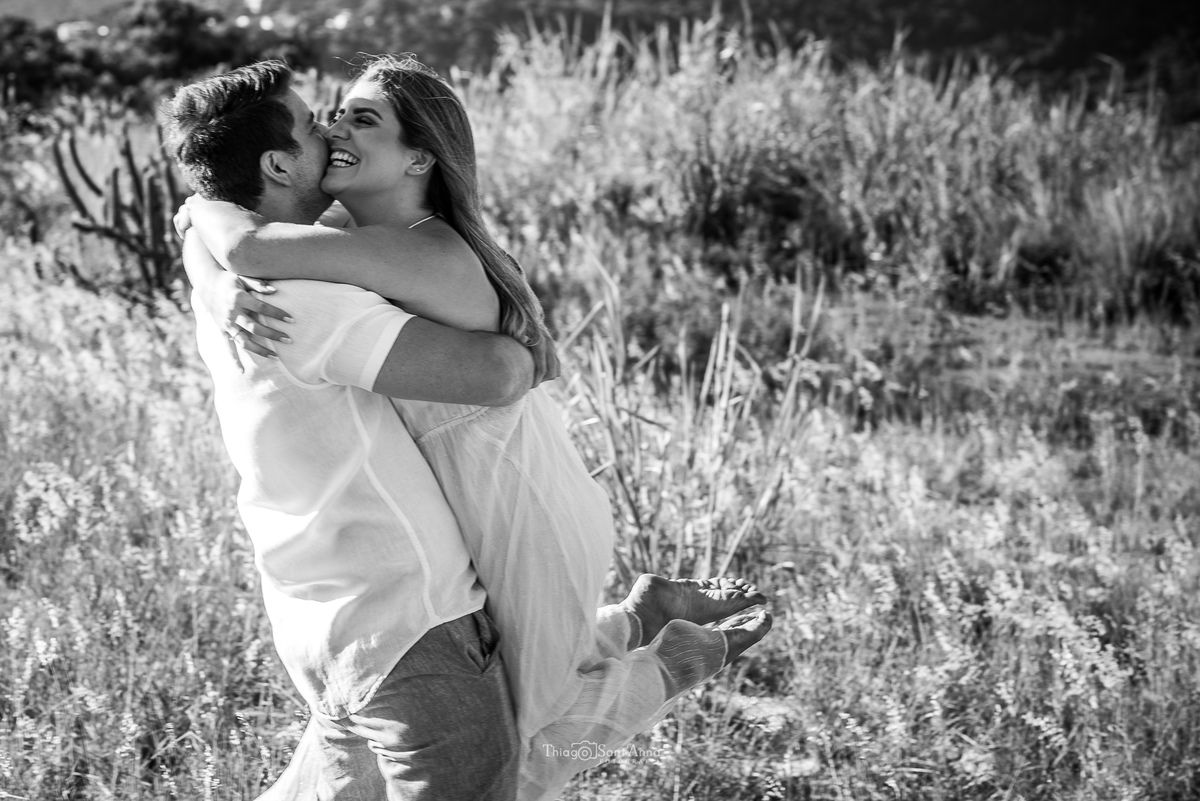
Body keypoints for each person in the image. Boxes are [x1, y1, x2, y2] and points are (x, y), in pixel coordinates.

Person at [180, 55, 772, 800]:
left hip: (512, 492)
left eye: (360, 118)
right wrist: (215, 260)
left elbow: (240, 238)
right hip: (452, 513)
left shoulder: (402, 250)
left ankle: (678, 649)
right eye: (327, 116)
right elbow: (216, 219)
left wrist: (223, 258)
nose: (332, 128)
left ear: (420, 155)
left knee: (534, 724)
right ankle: (646, 614)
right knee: (522, 695)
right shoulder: (338, 237)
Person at [160, 60, 546, 800]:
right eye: (312, 125)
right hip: (407, 618)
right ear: (277, 164)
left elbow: (198, 216)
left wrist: (214, 268)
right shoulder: (302, 300)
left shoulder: (242, 283)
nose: (328, 128)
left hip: (311, 617)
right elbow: (501, 374)